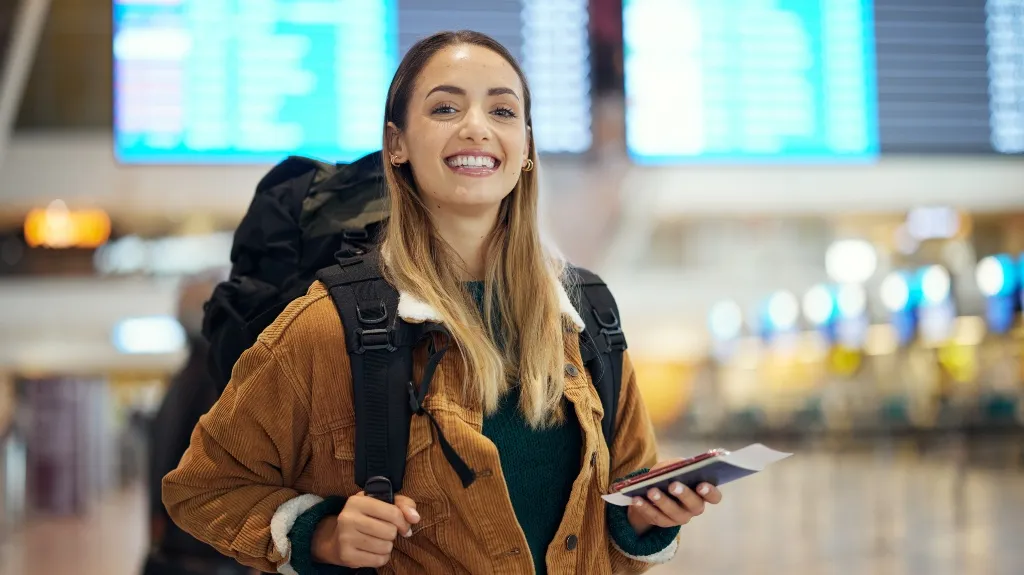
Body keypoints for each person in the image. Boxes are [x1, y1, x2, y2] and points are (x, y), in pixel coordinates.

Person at [162, 30, 722, 575]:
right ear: (397, 145)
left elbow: (619, 502)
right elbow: (203, 487)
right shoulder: (328, 324)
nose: (477, 128)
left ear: (525, 147)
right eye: (446, 109)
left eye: (502, 112)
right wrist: (323, 535)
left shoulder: (584, 316)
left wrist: (647, 520)